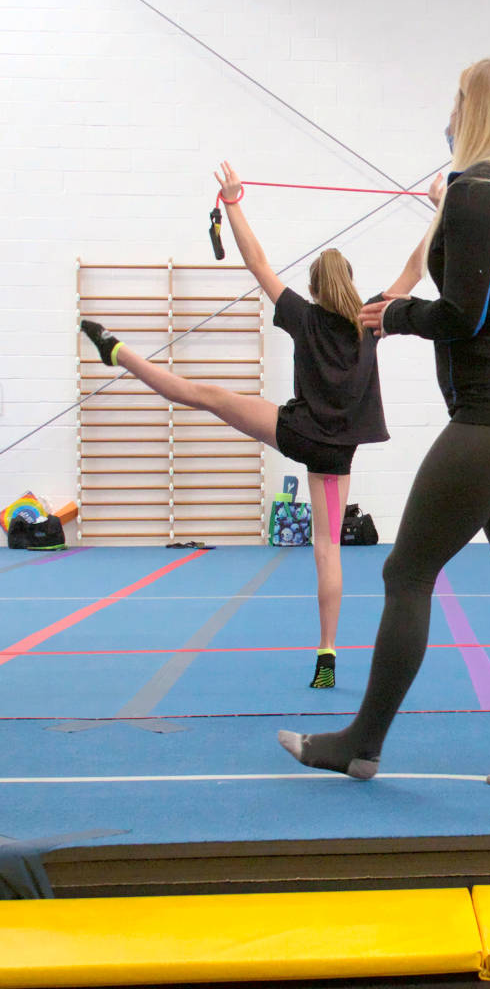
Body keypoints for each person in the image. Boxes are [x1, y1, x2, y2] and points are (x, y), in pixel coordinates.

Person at [278, 56, 490, 787]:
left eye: (455, 101)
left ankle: (360, 742)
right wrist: (445, 213)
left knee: (405, 570)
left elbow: (462, 315)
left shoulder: (480, 192)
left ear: (477, 108)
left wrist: (393, 315)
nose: (446, 115)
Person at [80, 160, 425, 690]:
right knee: (327, 551)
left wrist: (235, 202)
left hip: (297, 432)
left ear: (313, 287)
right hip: (336, 454)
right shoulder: (372, 318)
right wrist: (442, 211)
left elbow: (257, 261)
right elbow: (414, 268)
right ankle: (327, 654)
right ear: (350, 283)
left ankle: (120, 353)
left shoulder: (304, 315)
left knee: (205, 395)